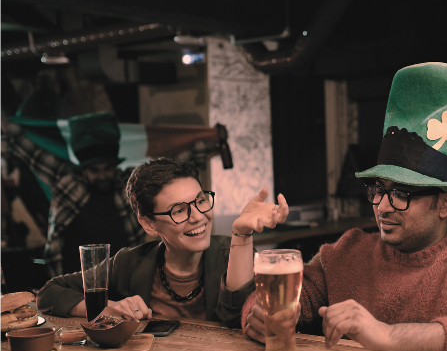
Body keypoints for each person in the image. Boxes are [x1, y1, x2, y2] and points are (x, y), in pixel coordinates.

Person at [242, 62, 447, 351]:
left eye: (402, 193)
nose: (382, 205)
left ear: (445, 204)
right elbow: (293, 296)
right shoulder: (346, 253)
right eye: (378, 189)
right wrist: (259, 314)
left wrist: (384, 335)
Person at [37, 158, 288, 326]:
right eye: (179, 210)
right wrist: (106, 307)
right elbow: (49, 292)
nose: (198, 216)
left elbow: (234, 320)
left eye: (200, 200)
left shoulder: (233, 253)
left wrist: (241, 235)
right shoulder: (129, 263)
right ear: (148, 224)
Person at [2, 112, 144, 277]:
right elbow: (27, 148)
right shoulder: (68, 182)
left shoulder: (127, 184)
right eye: (94, 170)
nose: (103, 176)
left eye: (108, 168)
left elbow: (168, 167)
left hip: (122, 279)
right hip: (75, 283)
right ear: (83, 170)